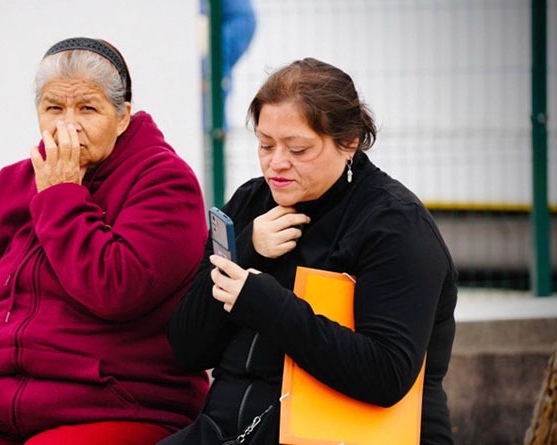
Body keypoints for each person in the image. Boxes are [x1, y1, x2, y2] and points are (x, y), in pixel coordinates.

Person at [0, 37, 209, 445]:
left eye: (87, 108)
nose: (68, 125)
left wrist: (61, 197)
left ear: (122, 117)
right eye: (54, 108)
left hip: (117, 408)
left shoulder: (165, 182)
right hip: (1, 415)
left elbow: (117, 290)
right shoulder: (10, 185)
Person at [161, 58, 457, 444]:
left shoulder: (394, 225)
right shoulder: (252, 202)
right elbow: (187, 348)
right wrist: (246, 249)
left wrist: (268, 305)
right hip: (226, 430)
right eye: (265, 145)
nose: (276, 164)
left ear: (348, 142)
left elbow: (387, 376)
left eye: (298, 149)